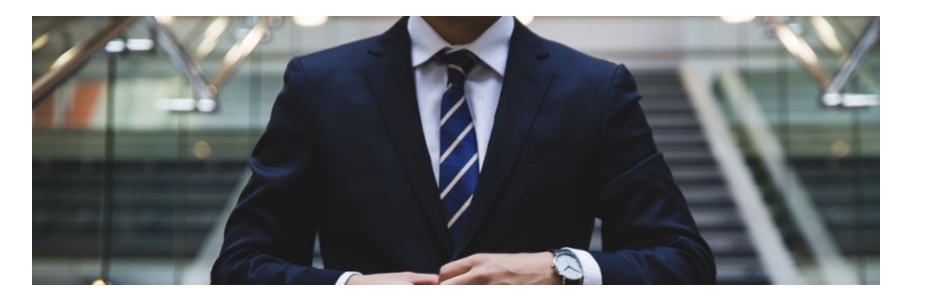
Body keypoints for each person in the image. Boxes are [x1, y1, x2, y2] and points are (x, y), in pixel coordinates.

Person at [211, 16, 715, 285]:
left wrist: (562, 269)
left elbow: (683, 262)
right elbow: (241, 266)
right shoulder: (319, 84)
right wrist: (348, 288)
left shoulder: (595, 87)